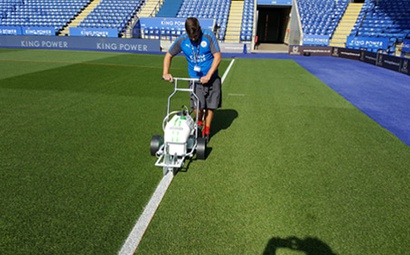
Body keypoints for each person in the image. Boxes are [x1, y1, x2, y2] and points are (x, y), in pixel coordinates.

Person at [162, 17, 222, 142]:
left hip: (212, 78)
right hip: (195, 80)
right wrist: (166, 72)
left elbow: (217, 57)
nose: (194, 39)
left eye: (196, 36)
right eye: (192, 37)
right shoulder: (182, 40)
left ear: (199, 29)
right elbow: (168, 55)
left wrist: (209, 75)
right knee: (197, 107)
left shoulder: (208, 36)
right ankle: (199, 121)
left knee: (211, 107)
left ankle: (206, 131)